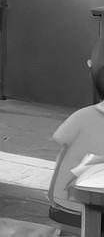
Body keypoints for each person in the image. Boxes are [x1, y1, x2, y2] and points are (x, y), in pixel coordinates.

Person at [47, 57, 104, 227]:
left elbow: (61, 140)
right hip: (78, 205)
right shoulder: (85, 117)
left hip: (65, 203)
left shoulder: (82, 115)